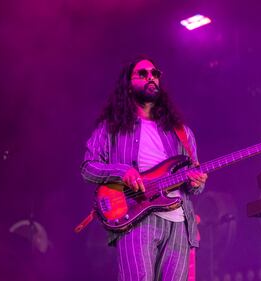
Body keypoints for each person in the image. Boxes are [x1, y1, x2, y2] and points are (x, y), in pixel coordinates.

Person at [81, 56, 207, 281]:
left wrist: (198, 183)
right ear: (128, 85)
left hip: (179, 225)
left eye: (155, 74)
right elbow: (88, 168)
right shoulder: (112, 128)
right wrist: (121, 172)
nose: (151, 77)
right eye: (143, 73)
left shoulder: (183, 133)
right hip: (136, 219)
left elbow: (194, 185)